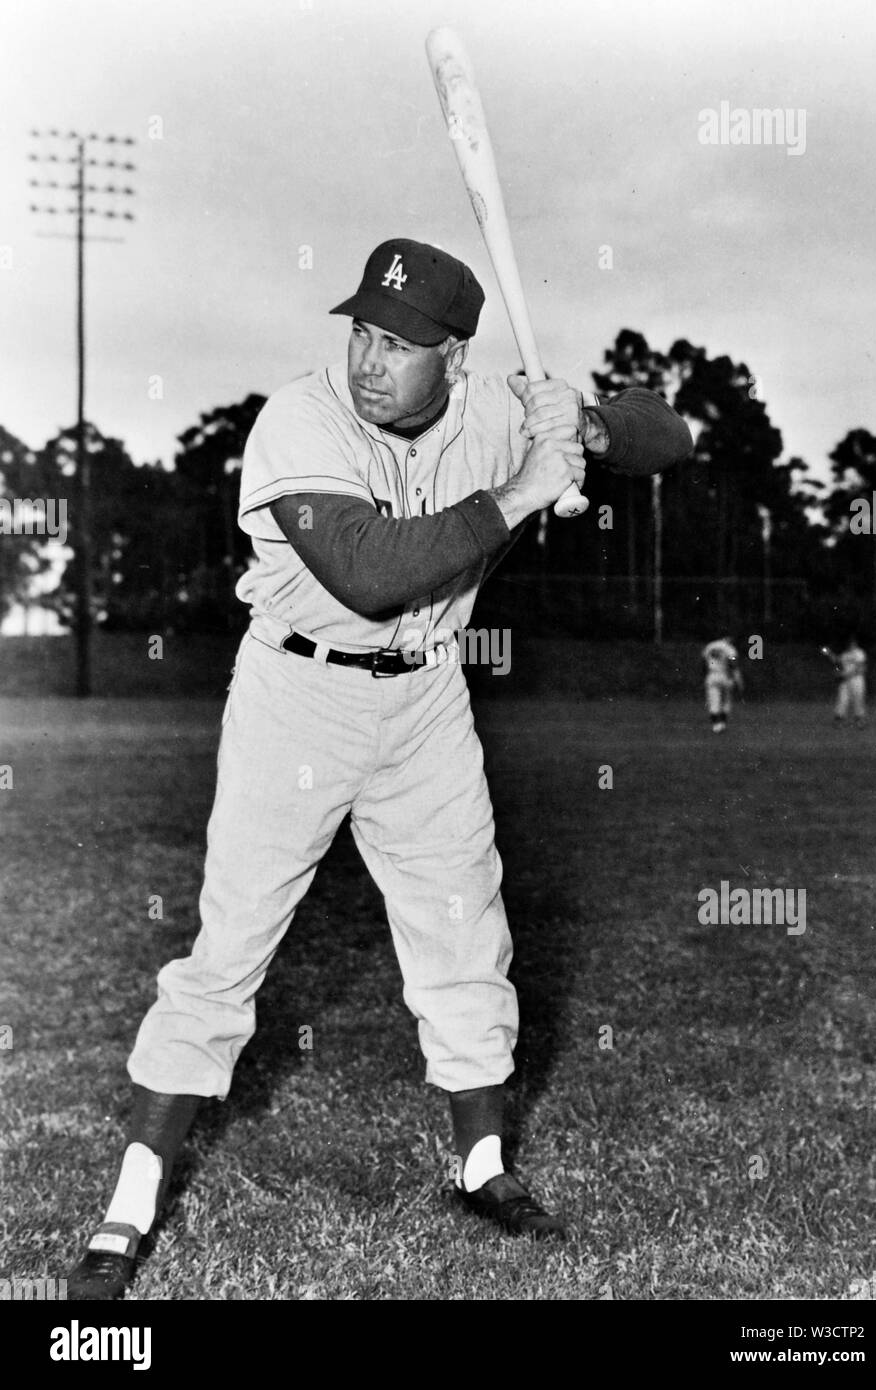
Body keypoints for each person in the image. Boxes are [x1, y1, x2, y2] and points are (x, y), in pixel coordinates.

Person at [66, 238, 693, 1299]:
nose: (369, 359)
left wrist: (580, 423)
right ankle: (129, 1204)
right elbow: (364, 575)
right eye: (361, 330)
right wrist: (524, 494)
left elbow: (666, 439)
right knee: (231, 944)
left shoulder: (497, 408)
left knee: (464, 926)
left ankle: (484, 1165)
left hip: (428, 700)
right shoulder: (297, 420)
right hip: (297, 696)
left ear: (455, 358)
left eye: (401, 344)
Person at [702, 634, 743, 733]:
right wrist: (739, 680)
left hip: (711, 675)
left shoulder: (710, 646)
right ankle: (722, 724)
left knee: (714, 701)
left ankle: (716, 725)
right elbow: (733, 663)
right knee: (726, 701)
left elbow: (704, 661)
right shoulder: (729, 648)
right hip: (724, 676)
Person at [832, 636, 868, 726]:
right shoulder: (845, 655)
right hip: (846, 681)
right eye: (849, 644)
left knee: (858, 699)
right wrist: (829, 654)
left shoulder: (859, 653)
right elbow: (837, 662)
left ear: (855, 644)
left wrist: (844, 674)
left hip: (857, 679)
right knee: (842, 698)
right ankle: (839, 719)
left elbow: (860, 668)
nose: (851, 645)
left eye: (852, 643)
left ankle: (859, 720)